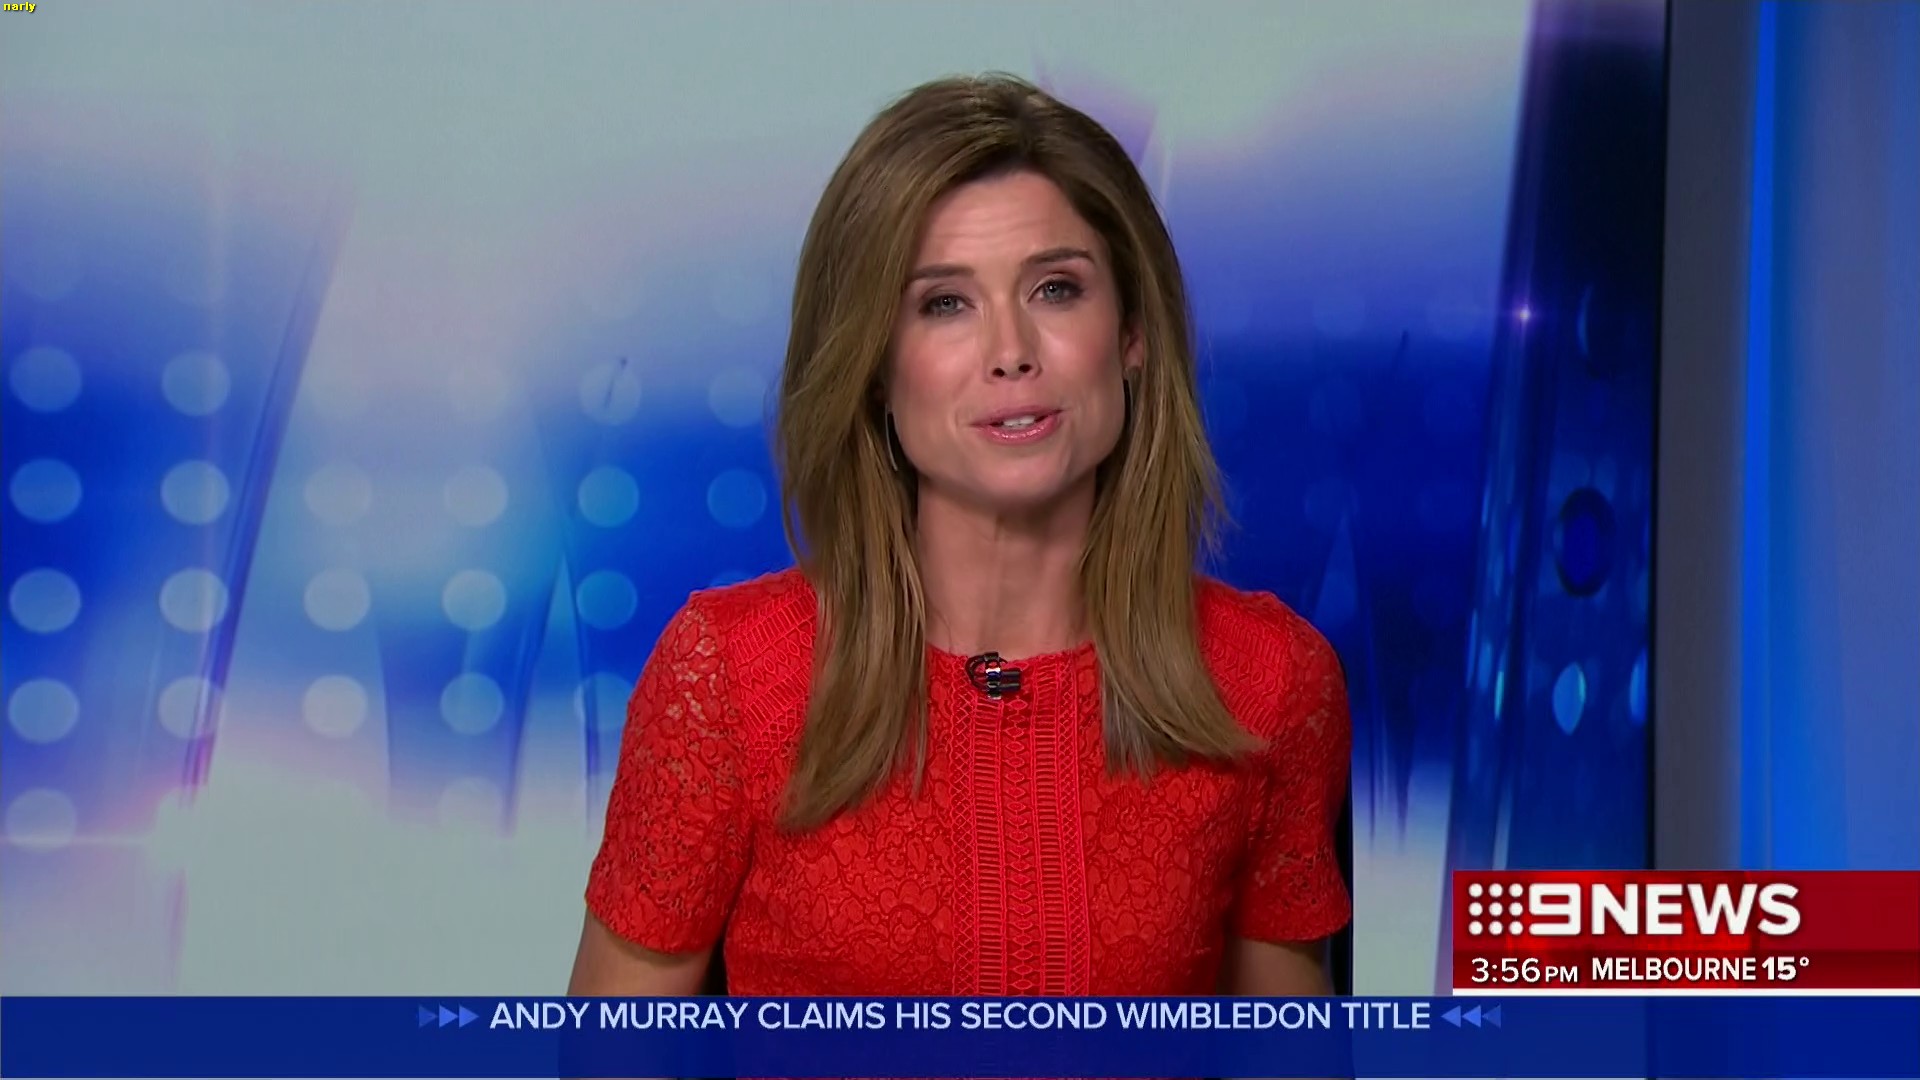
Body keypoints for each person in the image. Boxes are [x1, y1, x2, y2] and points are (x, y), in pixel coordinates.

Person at [569, 73, 1350, 1001]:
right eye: (944, 303)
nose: (1011, 351)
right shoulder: (729, 678)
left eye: (1056, 289)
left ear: (1132, 334)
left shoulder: (1270, 681)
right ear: (873, 365)